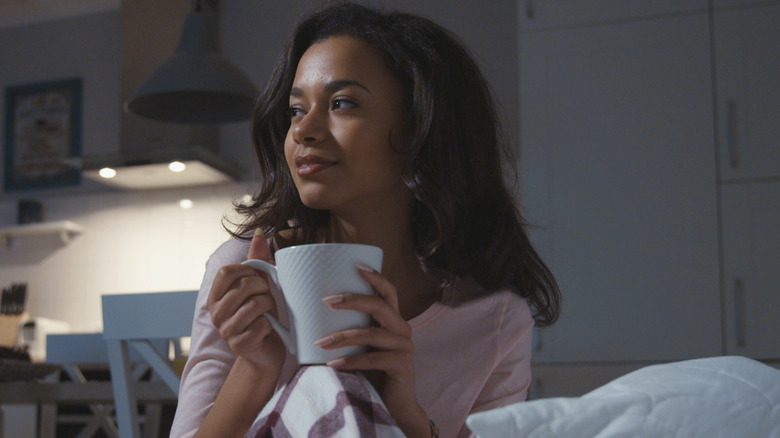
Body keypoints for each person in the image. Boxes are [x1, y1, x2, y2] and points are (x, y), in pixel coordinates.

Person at [170, 2, 560, 437]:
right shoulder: (244, 274)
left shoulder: (495, 317)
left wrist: (406, 411)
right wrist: (255, 369)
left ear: (420, 128)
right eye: (296, 110)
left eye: (341, 103)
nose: (304, 130)